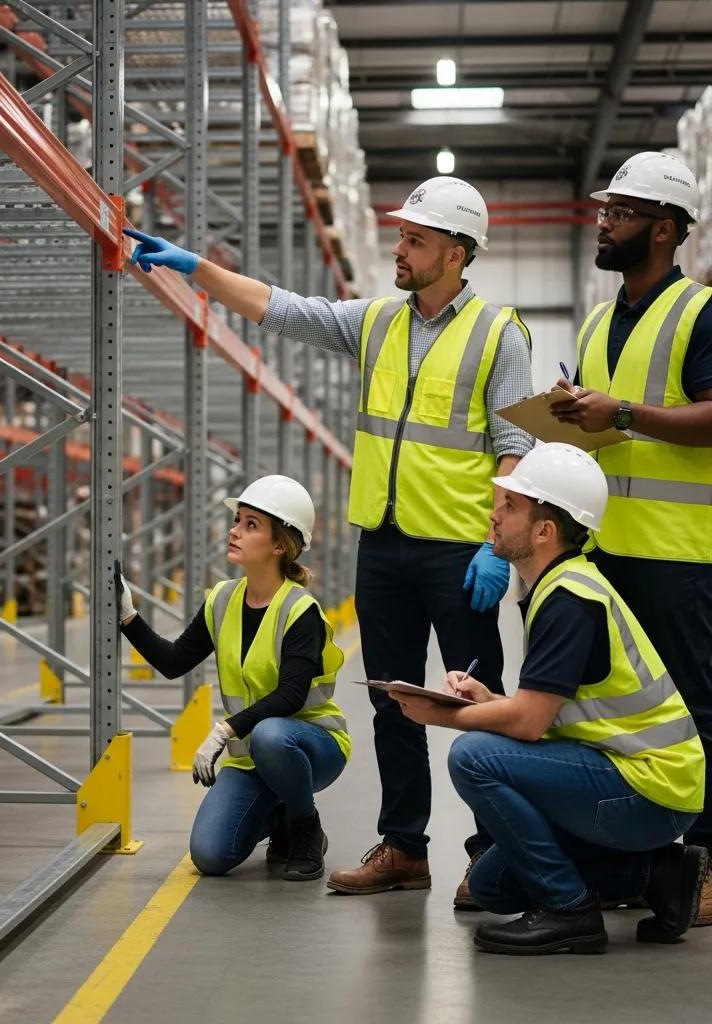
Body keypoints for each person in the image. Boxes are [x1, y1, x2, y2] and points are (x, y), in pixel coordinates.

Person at [124, 176, 534, 905]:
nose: (399, 249)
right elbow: (283, 309)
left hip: (458, 554)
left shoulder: (499, 334)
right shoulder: (376, 321)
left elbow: (513, 446)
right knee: (394, 704)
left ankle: (494, 856)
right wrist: (196, 268)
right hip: (383, 546)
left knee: (482, 707)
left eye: (414, 240)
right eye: (400, 235)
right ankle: (404, 848)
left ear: (456, 253)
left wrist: (494, 546)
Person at [390, 442, 707, 955]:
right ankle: (659, 872)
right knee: (494, 885)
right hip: (633, 776)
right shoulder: (559, 586)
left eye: (510, 505)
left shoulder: (570, 600)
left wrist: (447, 716)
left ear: (543, 531)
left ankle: (570, 911)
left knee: (472, 756)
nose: (494, 515)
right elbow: (552, 711)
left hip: (650, 789)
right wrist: (488, 699)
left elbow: (530, 724)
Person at [549, 152, 712, 925]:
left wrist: (618, 413)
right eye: (604, 211)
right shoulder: (595, 322)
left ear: (665, 229)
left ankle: (705, 864)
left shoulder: (699, 313)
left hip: (681, 554)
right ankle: (623, 863)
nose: (604, 224)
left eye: (619, 214)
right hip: (604, 554)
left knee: (696, 712)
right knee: (608, 712)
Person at [116, 475, 350, 881]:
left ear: (280, 545)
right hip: (252, 755)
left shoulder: (300, 611)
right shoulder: (222, 599)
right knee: (210, 855)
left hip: (312, 746)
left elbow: (292, 695)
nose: (234, 531)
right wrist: (127, 616)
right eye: (237, 520)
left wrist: (224, 730)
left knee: (271, 734)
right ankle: (278, 816)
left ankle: (305, 828)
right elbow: (174, 661)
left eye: (250, 524)